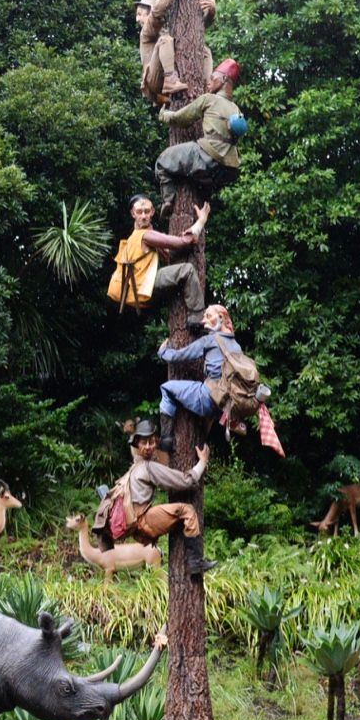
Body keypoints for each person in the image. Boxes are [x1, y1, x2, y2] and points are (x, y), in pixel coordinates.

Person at [102, 419, 211, 577]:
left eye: (151, 442)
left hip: (137, 528)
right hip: (144, 522)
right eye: (144, 443)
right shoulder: (148, 467)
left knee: (176, 513)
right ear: (137, 444)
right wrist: (202, 462)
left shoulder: (134, 467)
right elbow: (186, 481)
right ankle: (196, 563)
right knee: (188, 511)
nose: (148, 447)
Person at [154, 57, 247, 215]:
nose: (209, 82)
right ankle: (203, 210)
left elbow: (180, 119)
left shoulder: (209, 99)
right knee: (201, 185)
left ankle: (168, 200)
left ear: (224, 79)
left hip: (208, 157)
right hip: (228, 169)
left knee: (162, 162)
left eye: (212, 78)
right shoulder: (236, 109)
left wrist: (163, 114)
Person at [107, 194, 210, 325]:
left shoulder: (134, 236)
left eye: (147, 211)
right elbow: (184, 242)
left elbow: (169, 255)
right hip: (144, 288)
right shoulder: (146, 235)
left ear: (153, 212)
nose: (143, 216)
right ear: (133, 214)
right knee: (187, 269)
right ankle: (197, 317)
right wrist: (201, 221)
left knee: (176, 274)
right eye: (139, 212)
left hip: (139, 292)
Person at [137, 0, 219, 108]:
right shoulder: (146, 33)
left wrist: (211, 12)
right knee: (165, 40)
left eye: (140, 14)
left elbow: (196, 30)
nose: (137, 19)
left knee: (204, 50)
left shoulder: (167, 31)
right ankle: (171, 79)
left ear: (149, 11)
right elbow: (157, 13)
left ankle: (205, 88)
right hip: (156, 81)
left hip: (171, 79)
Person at [156, 304, 234, 448]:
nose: (203, 321)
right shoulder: (236, 346)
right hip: (226, 404)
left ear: (221, 318)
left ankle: (166, 438)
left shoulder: (210, 340)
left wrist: (163, 352)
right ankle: (203, 442)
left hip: (209, 398)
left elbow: (179, 357)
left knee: (166, 388)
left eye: (208, 316)